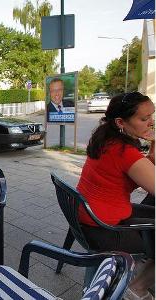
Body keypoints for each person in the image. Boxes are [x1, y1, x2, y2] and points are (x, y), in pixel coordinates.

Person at [77, 92, 155, 300]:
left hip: (91, 215)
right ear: (121, 122)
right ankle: (138, 287)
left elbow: (139, 171)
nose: (151, 123)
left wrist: (152, 151)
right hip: (104, 229)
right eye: (144, 119)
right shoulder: (124, 152)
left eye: (152, 116)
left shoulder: (106, 138)